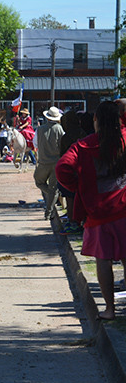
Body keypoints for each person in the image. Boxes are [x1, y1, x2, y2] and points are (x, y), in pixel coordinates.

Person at [56, 100, 126, 321]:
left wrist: (78, 186)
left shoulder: (82, 145)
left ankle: (110, 309)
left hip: (98, 213)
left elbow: (62, 168)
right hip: (124, 209)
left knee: (103, 261)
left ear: (95, 119)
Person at [34, 106, 65, 219]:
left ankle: (52, 195)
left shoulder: (39, 129)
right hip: (56, 162)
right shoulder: (60, 129)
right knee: (54, 188)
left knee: (38, 182)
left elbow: (35, 144)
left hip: (43, 162)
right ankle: (49, 210)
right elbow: (63, 143)